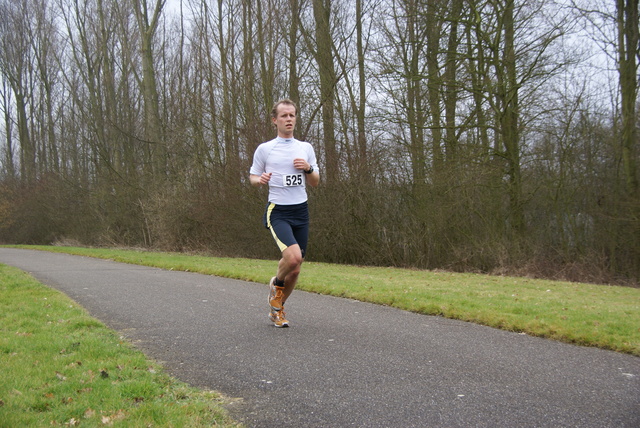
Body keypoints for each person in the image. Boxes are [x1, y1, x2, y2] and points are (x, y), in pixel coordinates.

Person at [249, 99, 320, 327]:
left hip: (301, 211)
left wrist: (308, 169)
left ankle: (277, 309)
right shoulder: (266, 149)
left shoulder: (305, 148)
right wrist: (260, 180)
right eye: (284, 116)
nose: (289, 119)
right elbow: (252, 177)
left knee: (296, 269)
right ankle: (276, 284)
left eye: (292, 115)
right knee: (293, 257)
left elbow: (316, 182)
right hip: (278, 211)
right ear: (275, 120)